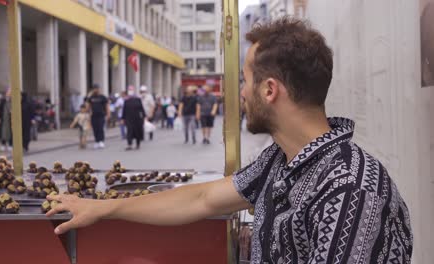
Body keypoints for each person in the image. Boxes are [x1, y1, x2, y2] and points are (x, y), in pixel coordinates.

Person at [47, 18, 412, 263]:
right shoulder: (282, 160)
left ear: (270, 90)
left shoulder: (349, 190)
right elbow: (203, 198)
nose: (239, 93)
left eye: (245, 80)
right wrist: (102, 208)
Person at [86, 84, 110, 149]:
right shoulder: (91, 98)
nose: (96, 90)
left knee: (100, 128)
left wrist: (108, 114)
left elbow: (107, 106)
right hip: (93, 115)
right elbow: (87, 107)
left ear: (99, 89)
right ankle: (96, 141)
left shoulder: (102, 97)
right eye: (94, 88)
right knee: (95, 129)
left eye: (97, 88)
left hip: (101, 115)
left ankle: (101, 141)